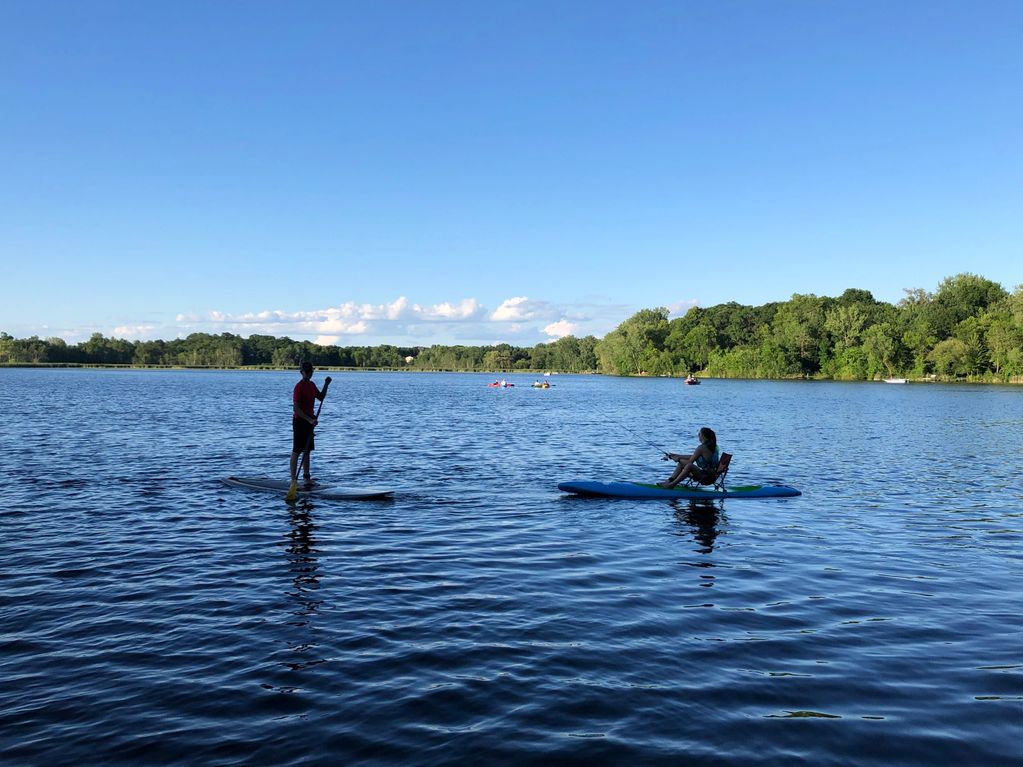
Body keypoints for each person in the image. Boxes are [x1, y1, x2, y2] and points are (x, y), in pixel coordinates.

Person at [291, 362, 331, 486]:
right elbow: (296, 409)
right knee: (297, 451)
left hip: (309, 422)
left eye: (311, 371)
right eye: (307, 371)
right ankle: (293, 481)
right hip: (300, 421)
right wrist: (309, 420)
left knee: (307, 450)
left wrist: (326, 384)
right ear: (301, 372)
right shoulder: (299, 387)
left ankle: (306, 478)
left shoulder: (312, 385)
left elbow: (321, 397)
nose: (309, 373)